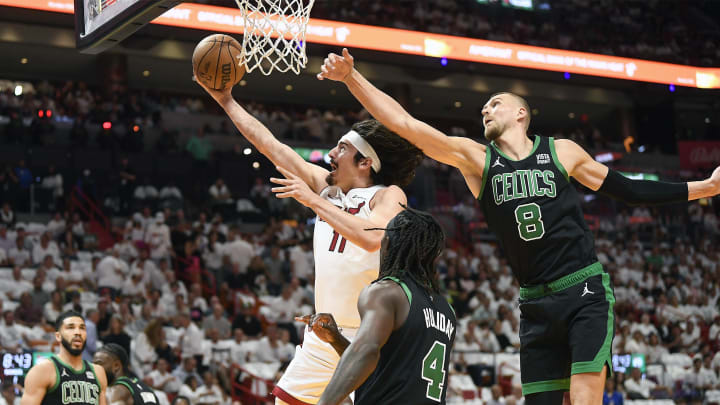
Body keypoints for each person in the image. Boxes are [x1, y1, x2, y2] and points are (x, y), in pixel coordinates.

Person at [317, 48, 720, 405]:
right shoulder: (478, 160)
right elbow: (407, 125)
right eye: (483, 108)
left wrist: (706, 186)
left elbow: (630, 191)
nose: (485, 110)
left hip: (583, 289)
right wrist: (352, 77)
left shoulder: (562, 152)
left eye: (494, 104)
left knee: (583, 398)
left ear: (520, 113)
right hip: (534, 302)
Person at [195, 64, 424, 405]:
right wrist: (226, 100)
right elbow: (270, 146)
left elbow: (372, 238)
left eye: (342, 149)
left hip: (371, 336)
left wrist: (313, 201)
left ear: (365, 163)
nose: (330, 155)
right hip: (324, 332)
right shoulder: (326, 189)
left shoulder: (388, 195)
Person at [300, 208, 455, 405]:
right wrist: (336, 339)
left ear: (387, 243)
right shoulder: (447, 310)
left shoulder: (386, 292)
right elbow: (389, 368)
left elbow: (365, 351)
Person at [20, 310, 108, 405]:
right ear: (58, 336)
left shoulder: (98, 372)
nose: (78, 332)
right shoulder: (42, 371)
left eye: (82, 328)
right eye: (71, 327)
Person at [92, 343, 159, 405]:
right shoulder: (144, 387)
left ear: (116, 366)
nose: (93, 369)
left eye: (98, 364)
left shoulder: (116, 391)